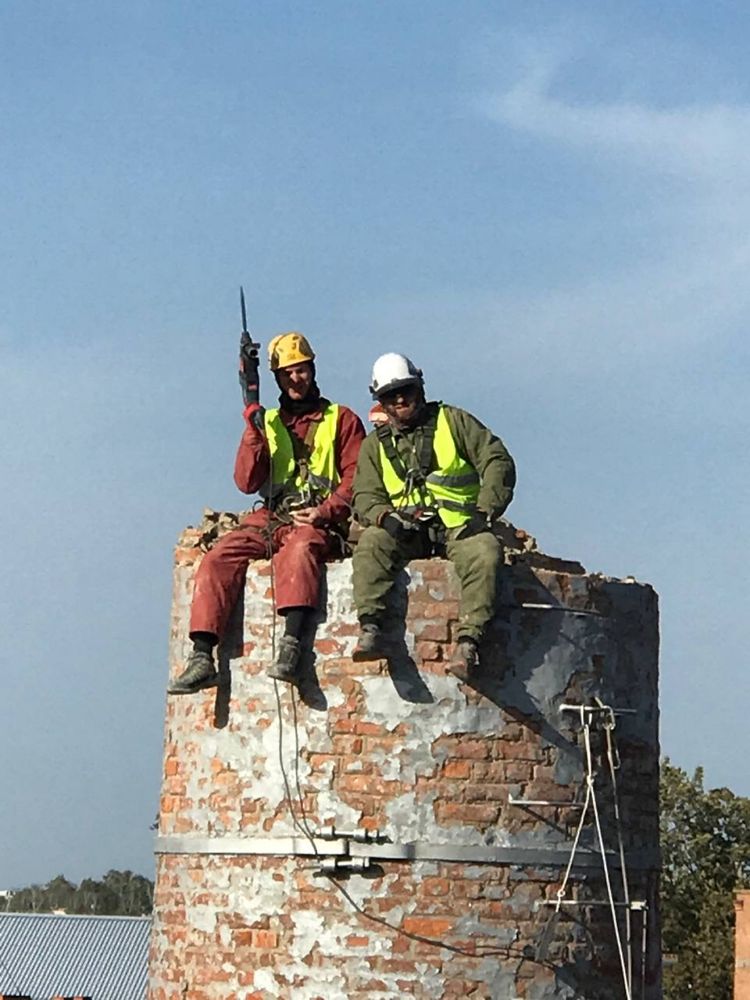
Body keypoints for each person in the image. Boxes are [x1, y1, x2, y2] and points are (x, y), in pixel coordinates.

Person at [168, 332, 366, 694]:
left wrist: (325, 511)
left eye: (301, 370)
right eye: (287, 373)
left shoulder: (342, 419)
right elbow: (246, 481)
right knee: (217, 558)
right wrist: (252, 432)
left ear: (312, 370)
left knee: (301, 550)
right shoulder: (268, 422)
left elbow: (358, 478)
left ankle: (292, 646)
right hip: (274, 516)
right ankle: (201, 656)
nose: (296, 379)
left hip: (318, 518)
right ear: (276, 378)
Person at [351, 353, 516, 683]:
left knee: (485, 553)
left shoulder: (453, 421)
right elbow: (364, 495)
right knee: (371, 543)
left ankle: (469, 643)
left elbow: (496, 460)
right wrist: (386, 518)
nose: (400, 400)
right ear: (380, 401)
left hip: (459, 524)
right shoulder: (374, 446)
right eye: (390, 395)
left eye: (406, 391)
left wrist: (484, 511)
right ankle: (371, 627)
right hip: (406, 528)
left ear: (420, 388)